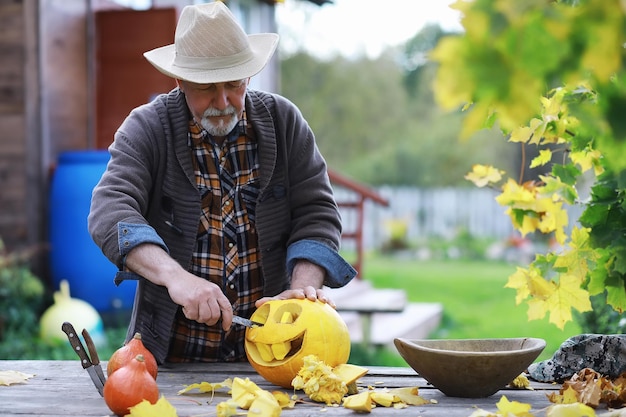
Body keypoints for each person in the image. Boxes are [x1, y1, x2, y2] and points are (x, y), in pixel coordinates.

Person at [88, 1, 355, 364]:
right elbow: (110, 211)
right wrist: (175, 277)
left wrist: (301, 288)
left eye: (234, 84)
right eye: (206, 88)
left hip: (272, 356)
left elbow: (317, 211)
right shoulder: (147, 128)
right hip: (169, 358)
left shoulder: (284, 121)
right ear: (180, 82)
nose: (223, 101)